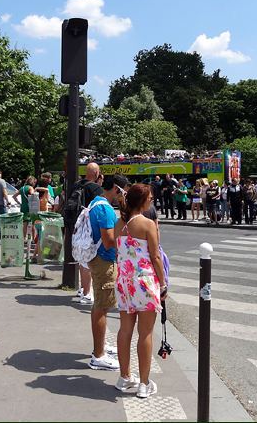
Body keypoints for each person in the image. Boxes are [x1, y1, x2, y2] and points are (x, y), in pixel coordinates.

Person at [114, 183, 166, 398]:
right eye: (150, 198)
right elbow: (155, 256)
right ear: (143, 201)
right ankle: (144, 383)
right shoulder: (147, 224)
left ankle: (124, 376)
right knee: (145, 333)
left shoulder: (119, 224)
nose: (152, 201)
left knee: (125, 331)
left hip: (124, 281)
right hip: (144, 282)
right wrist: (163, 284)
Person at [87, 174, 129, 371]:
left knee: (101, 305)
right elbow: (109, 240)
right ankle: (98, 355)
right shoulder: (104, 209)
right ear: (117, 189)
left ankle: (100, 346)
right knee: (102, 306)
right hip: (104, 260)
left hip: (100, 259)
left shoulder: (97, 203)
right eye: (124, 190)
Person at [69, 163, 104, 305]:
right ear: (96, 173)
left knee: (81, 259)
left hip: (76, 226)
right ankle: (87, 293)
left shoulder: (76, 185)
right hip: (88, 227)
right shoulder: (95, 188)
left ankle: (83, 289)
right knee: (87, 261)